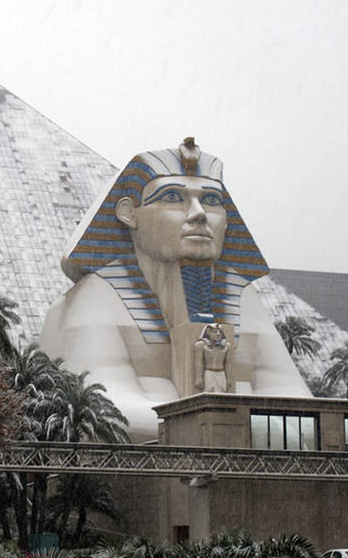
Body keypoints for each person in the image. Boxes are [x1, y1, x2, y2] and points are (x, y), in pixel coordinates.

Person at [40, 138, 310, 442]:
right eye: (172, 197)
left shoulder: (243, 299)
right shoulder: (95, 297)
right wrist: (239, 428)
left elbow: (304, 410)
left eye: (211, 201)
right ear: (129, 214)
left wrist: (212, 425)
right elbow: (103, 418)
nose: (198, 214)